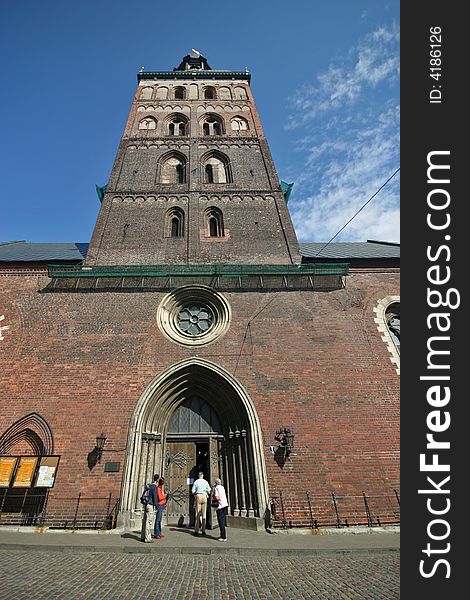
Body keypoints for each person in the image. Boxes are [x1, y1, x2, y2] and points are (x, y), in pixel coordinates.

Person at [191, 471, 211, 536]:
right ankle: (203, 530)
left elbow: (193, 491)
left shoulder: (196, 482)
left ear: (198, 475)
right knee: (204, 513)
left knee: (197, 513)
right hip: (204, 496)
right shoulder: (205, 482)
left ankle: (196, 530)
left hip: (198, 496)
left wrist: (195, 493)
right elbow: (209, 491)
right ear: (203, 475)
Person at [141, 473, 158, 543]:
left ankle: (143, 536)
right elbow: (155, 498)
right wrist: (156, 506)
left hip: (146, 504)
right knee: (149, 522)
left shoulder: (148, 486)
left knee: (145, 521)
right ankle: (148, 538)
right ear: (157, 480)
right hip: (150, 505)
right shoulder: (154, 487)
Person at [212, 477, 228, 541]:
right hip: (225, 505)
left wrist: (213, 496)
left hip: (220, 506)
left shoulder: (216, 488)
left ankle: (223, 537)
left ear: (216, 483)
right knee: (223, 521)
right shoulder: (222, 487)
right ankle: (223, 535)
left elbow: (217, 498)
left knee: (221, 521)